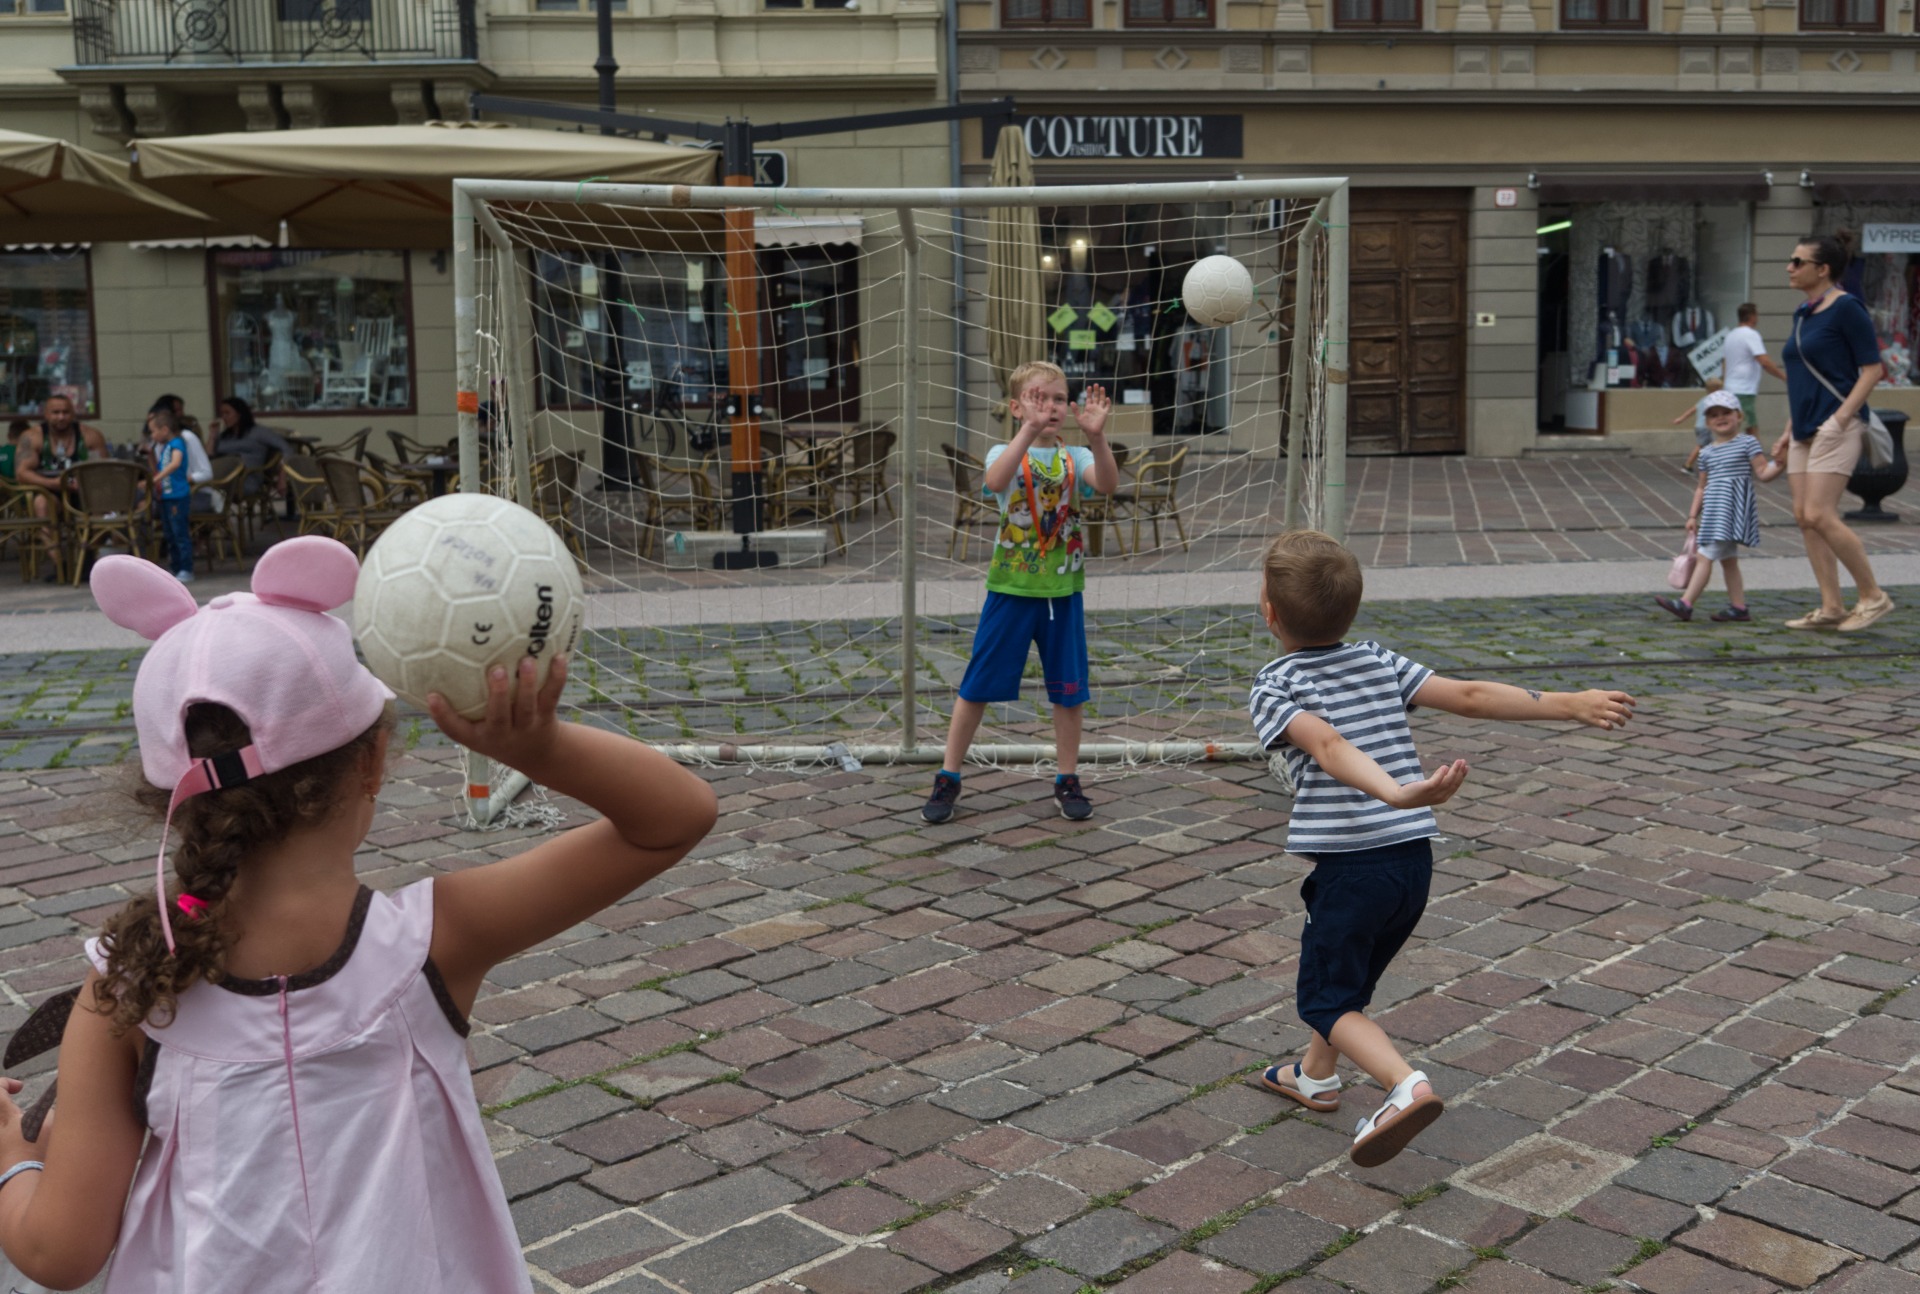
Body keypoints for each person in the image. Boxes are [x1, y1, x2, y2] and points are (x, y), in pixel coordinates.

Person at [0, 536, 717, 1292]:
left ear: (166, 801)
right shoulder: (433, 940)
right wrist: (539, 748)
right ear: (372, 762)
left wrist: (12, 1154)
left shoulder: (126, 986)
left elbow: (59, 1253)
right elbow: (674, 817)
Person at [1248, 530, 1633, 1166]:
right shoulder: (1375, 658)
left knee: (1325, 996)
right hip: (1411, 865)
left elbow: (1328, 747)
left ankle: (1405, 1087)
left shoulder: (1274, 685)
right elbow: (1470, 695)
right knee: (1350, 978)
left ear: (1269, 612)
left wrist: (1395, 792)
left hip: (1353, 869)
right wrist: (1569, 703)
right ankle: (1315, 1076)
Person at [922, 360, 1119, 824]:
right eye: (1037, 398)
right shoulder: (1004, 451)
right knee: (977, 685)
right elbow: (994, 482)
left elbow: (1108, 485)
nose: (1049, 407)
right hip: (1010, 590)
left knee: (1069, 691)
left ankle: (1067, 777)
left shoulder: (1077, 456)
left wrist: (1097, 437)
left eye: (1058, 399)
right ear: (1015, 407)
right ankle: (949, 775)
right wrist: (1028, 431)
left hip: (1062, 592)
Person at [1775, 229, 1894, 632]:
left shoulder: (1847, 309)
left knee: (1819, 513)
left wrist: (1839, 420)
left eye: (1797, 262)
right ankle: (1831, 606)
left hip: (1836, 427)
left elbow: (1872, 370)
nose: (1789, 268)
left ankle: (1873, 596)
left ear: (1822, 269)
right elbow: (1804, 378)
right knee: (1803, 517)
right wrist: (1788, 429)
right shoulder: (1803, 313)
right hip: (1803, 428)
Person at [1655, 390, 1783, 623]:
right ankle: (1739, 607)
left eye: (1726, 412)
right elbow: (1701, 487)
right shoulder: (1706, 452)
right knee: (1728, 560)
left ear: (1739, 416)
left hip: (1731, 512)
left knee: (1704, 556)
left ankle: (1686, 603)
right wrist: (1692, 515)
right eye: (1713, 415)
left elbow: (1763, 472)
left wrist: (1781, 462)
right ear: (1707, 422)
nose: (1720, 418)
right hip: (1714, 513)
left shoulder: (1747, 443)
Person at [1722, 303, 1787, 437]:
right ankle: (1755, 451)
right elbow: (1764, 361)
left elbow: (1724, 362)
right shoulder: (1751, 334)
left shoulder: (1730, 335)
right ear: (1752, 316)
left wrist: (1724, 382)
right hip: (1743, 389)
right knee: (1750, 426)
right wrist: (1783, 377)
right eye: (1757, 315)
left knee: (1734, 425)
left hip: (1730, 388)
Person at [211, 396, 293, 499]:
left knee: (205, 485)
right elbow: (208, 456)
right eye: (222, 414)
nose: (224, 417)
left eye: (227, 413)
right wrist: (212, 436)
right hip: (221, 477)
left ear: (239, 414)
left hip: (246, 478)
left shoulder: (258, 432)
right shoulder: (225, 436)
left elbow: (287, 449)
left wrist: (282, 477)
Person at [148, 408, 194, 583]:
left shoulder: (177, 444)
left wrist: (157, 478)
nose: (152, 435)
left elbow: (175, 463)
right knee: (170, 534)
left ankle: (186, 568)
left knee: (179, 533)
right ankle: (175, 567)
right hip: (166, 496)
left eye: (154, 431)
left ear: (165, 430)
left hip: (177, 496)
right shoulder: (166, 447)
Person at [1671, 377, 1726, 472]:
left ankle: (1713, 464)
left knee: (1711, 446)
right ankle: (1687, 465)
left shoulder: (1703, 399)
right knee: (1700, 446)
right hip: (1705, 427)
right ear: (1716, 390)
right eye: (1721, 389)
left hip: (1699, 426)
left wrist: (1681, 419)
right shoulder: (1715, 401)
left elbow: (1692, 410)